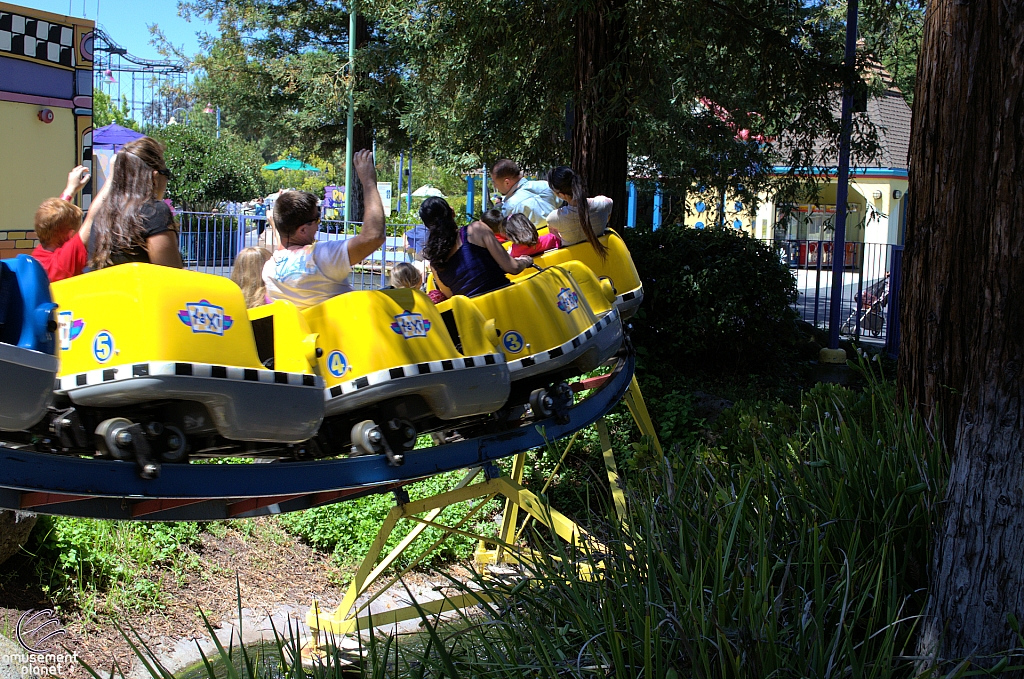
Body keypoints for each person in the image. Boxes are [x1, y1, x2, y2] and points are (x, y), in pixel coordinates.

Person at [263, 149, 385, 310]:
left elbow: (285, 246)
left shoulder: (270, 269)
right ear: (302, 230)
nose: (319, 224)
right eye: (317, 219)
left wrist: (275, 223)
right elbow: (373, 236)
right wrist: (368, 182)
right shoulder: (321, 257)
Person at [88, 137, 184, 270]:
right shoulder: (154, 211)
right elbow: (170, 275)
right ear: (155, 177)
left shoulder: (102, 212)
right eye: (166, 173)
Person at [421, 197, 533, 298]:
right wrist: (525, 261)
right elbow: (513, 268)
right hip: (504, 302)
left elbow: (452, 297)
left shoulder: (435, 264)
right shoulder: (476, 230)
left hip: (474, 317)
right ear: (452, 212)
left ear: (427, 226)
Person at [31, 165, 108, 281]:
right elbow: (92, 218)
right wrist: (112, 178)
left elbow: (54, 218)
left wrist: (70, 189)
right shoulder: (62, 262)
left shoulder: (39, 253)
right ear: (69, 234)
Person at [545, 166, 611, 256]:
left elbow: (556, 236)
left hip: (573, 262)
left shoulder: (554, 218)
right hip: (601, 257)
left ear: (561, 195)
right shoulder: (604, 204)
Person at [490, 159, 560, 227]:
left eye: (494, 182)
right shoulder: (546, 185)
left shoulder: (510, 206)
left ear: (507, 182)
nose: (495, 186)